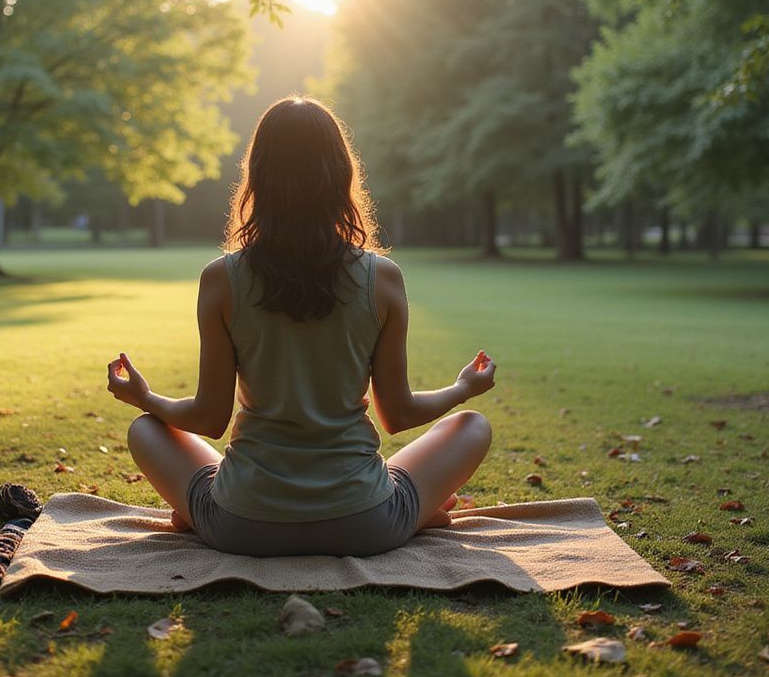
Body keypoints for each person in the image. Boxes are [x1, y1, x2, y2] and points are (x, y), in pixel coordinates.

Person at [107, 96, 495, 557]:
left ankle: (197, 515)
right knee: (471, 425)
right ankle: (415, 513)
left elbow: (210, 420)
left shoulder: (220, 279)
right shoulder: (383, 278)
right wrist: (462, 389)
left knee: (144, 429)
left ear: (258, 178)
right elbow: (399, 416)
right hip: (366, 524)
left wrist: (146, 398)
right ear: (341, 176)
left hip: (241, 526)